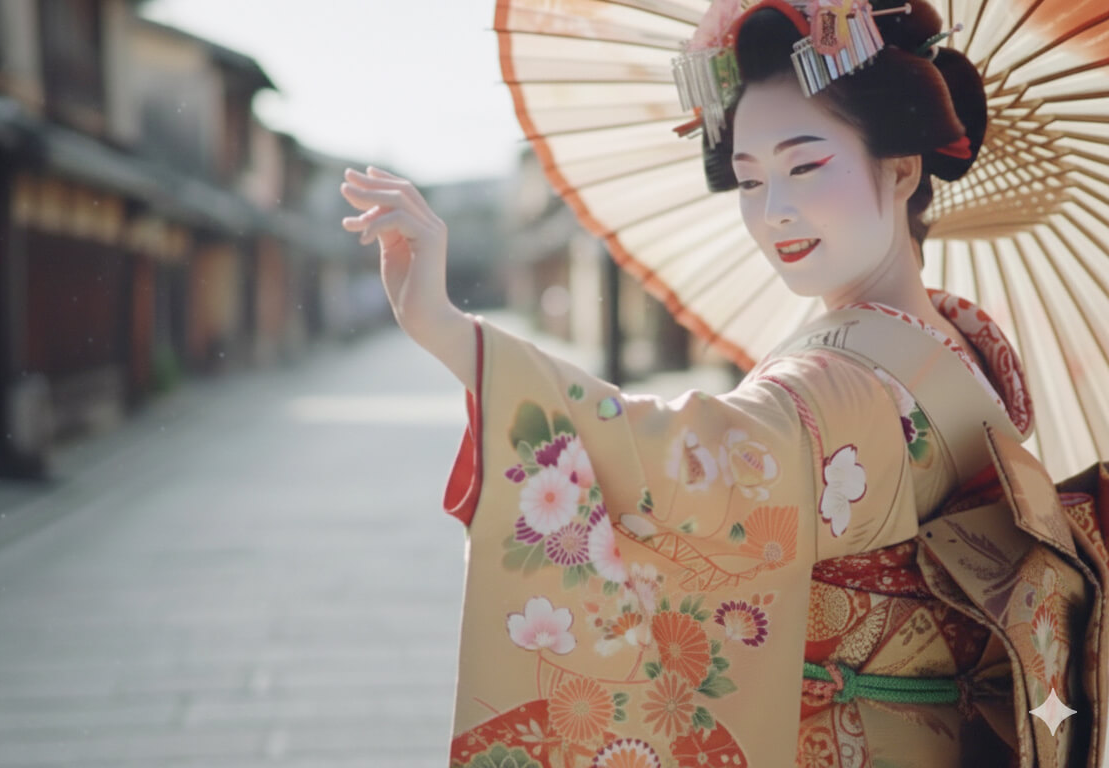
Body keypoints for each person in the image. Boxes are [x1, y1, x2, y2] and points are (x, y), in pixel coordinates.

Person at [340, 1, 1107, 765]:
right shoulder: (960, 341)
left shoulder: (839, 387)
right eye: (748, 180)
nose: (775, 211)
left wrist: (448, 331)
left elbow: (680, 461)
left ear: (903, 168)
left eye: (806, 165)